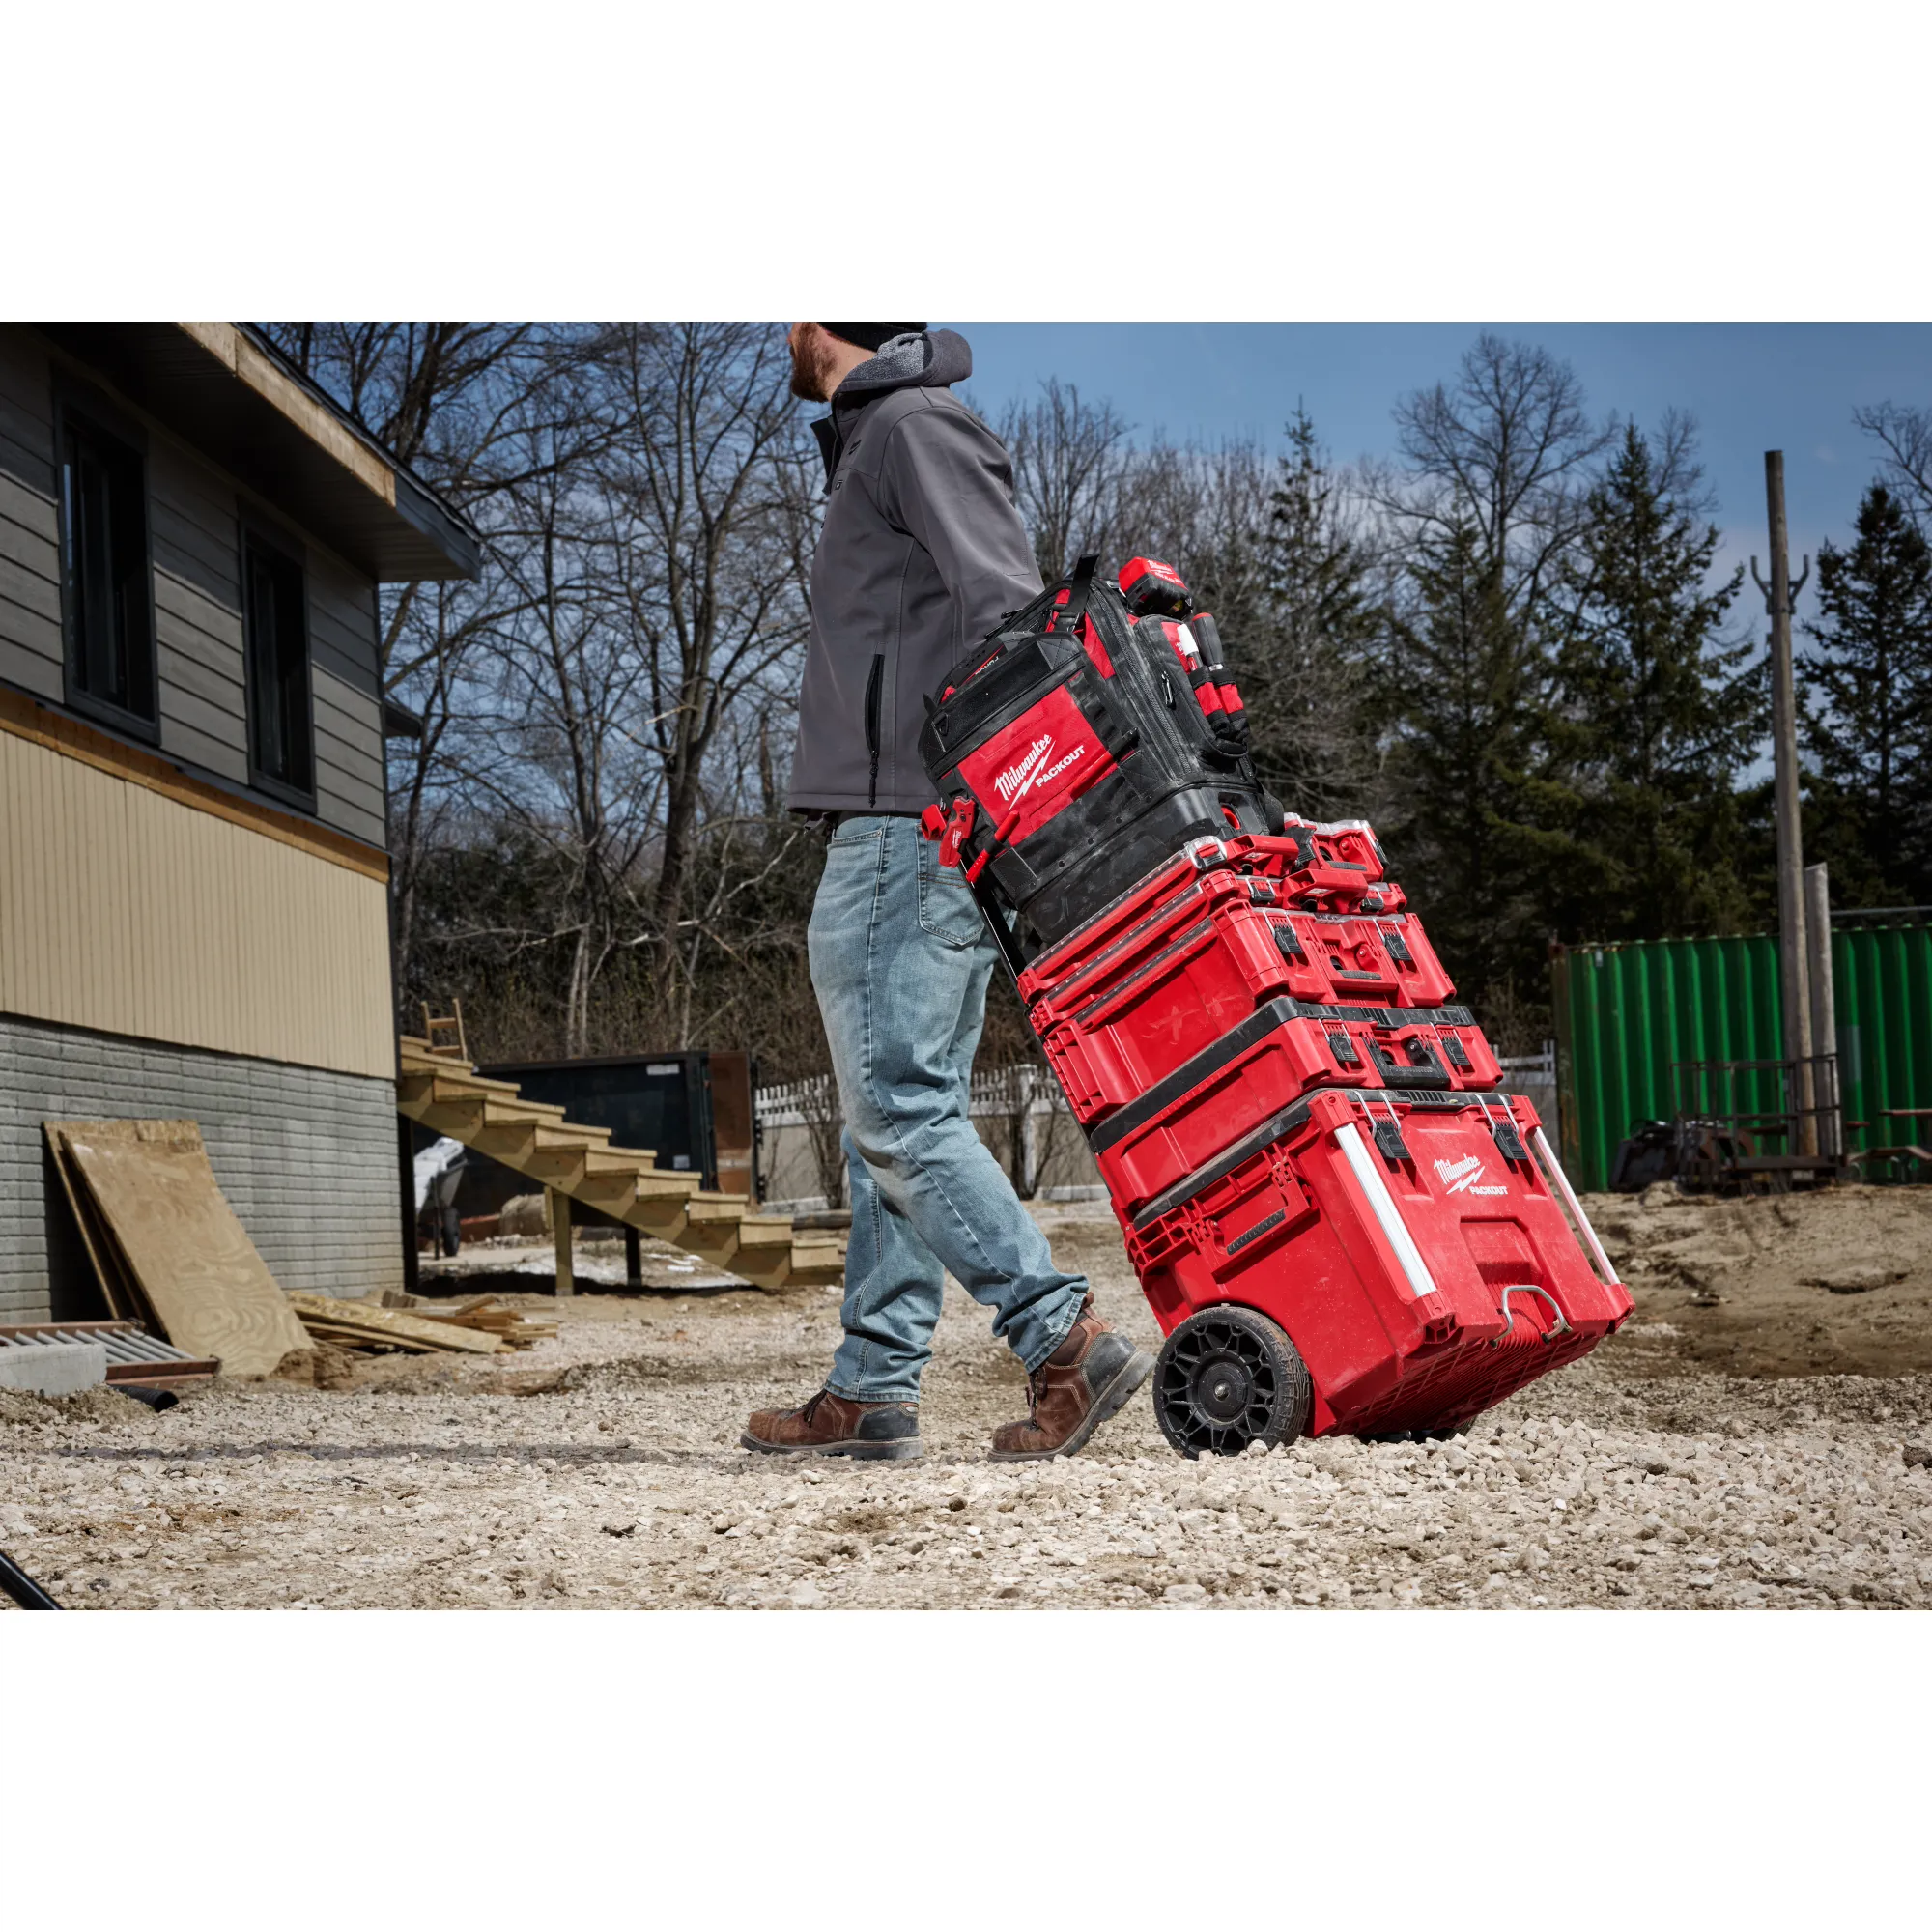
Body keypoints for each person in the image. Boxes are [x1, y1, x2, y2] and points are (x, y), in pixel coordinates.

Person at [743, 323, 1153, 1463]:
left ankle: (1060, 1336)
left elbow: (1005, 609)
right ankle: (872, 1385)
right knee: (892, 1114)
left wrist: (998, 796)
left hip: (909, 822)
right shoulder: (879, 435)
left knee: (894, 1109)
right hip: (906, 820)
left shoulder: (911, 425)